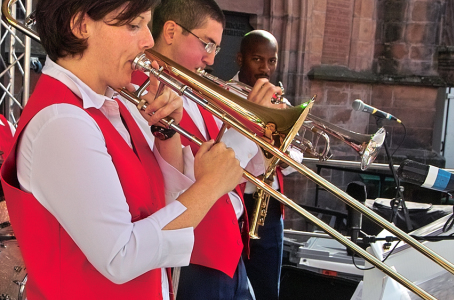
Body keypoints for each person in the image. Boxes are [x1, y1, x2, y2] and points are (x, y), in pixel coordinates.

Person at [0, 0, 243, 299]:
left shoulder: (109, 106)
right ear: (80, 25)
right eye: (133, 25)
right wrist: (211, 186)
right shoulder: (62, 120)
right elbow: (121, 256)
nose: (148, 41)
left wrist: (166, 134)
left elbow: (160, 208)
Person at [135, 1, 285, 299]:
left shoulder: (197, 92)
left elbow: (241, 172)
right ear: (171, 31)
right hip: (193, 254)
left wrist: (267, 128)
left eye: (215, 48)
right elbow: (188, 181)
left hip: (228, 246)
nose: (210, 59)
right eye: (207, 44)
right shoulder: (143, 91)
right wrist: (250, 122)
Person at [236, 29, 303, 300]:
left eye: (271, 61)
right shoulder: (222, 92)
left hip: (270, 209)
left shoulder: (281, 103)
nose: (265, 68)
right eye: (257, 59)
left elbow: (295, 162)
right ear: (240, 59)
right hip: (234, 204)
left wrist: (275, 144)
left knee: (266, 289)